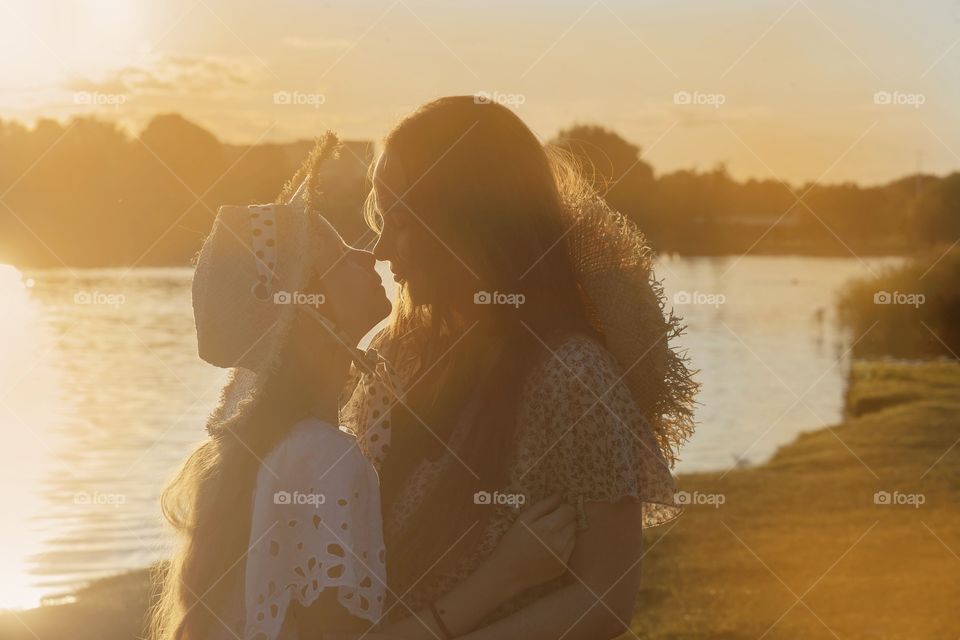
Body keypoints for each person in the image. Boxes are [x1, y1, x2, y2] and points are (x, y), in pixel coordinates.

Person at [150, 137, 578, 640]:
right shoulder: (323, 457)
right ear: (307, 309)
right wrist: (506, 576)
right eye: (337, 254)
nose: (369, 254)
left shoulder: (258, 450)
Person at [343, 97, 699, 639]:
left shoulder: (572, 376)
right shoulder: (396, 355)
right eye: (382, 218)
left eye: (402, 221)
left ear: (470, 224)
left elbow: (604, 602)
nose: (382, 250)